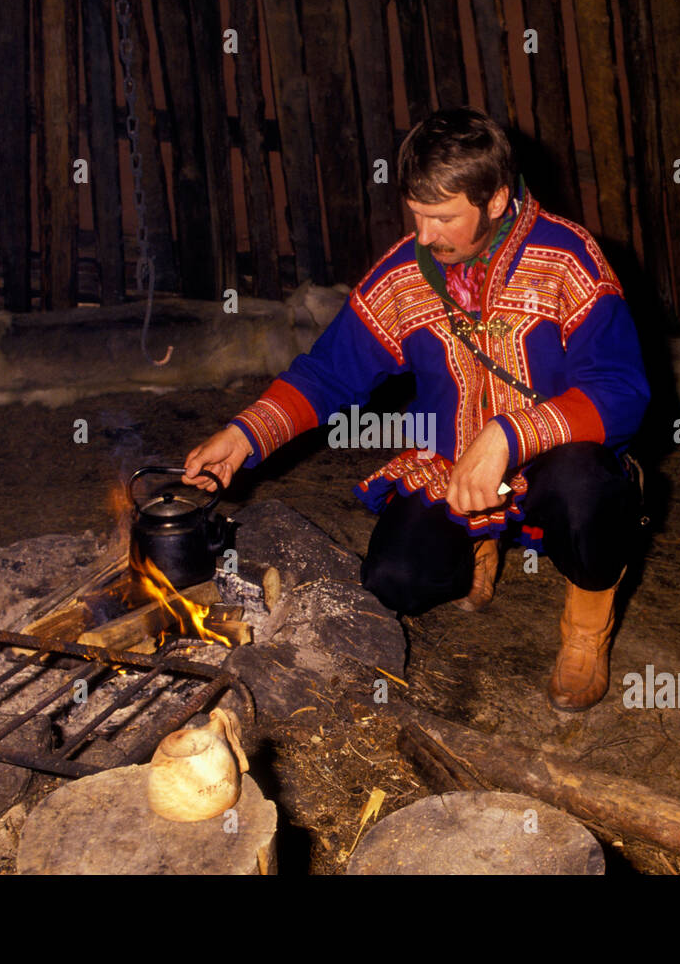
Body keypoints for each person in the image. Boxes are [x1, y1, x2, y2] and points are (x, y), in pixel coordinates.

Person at [183, 107, 650, 712]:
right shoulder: (406, 275)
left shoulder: (568, 259)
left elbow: (622, 388)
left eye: (444, 216)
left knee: (590, 497)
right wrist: (246, 435)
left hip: (560, 464)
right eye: (418, 214)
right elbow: (329, 372)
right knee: (394, 581)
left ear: (498, 199)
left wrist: (510, 435)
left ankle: (587, 629)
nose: (426, 234)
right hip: (455, 472)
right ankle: (483, 543)